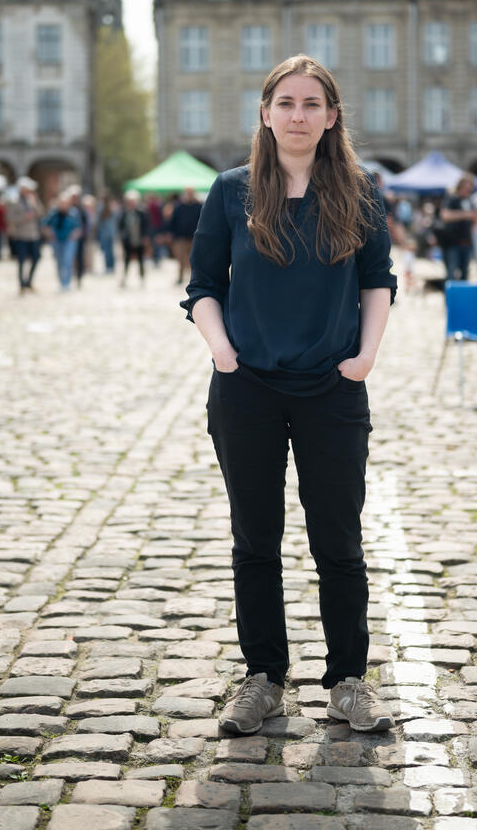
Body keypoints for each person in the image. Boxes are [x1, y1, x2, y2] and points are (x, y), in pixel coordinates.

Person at [182, 55, 397, 736]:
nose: (297, 115)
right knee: (256, 540)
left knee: (337, 539)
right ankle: (263, 678)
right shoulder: (230, 191)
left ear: (331, 116)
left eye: (311, 104)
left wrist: (364, 357)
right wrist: (221, 350)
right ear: (265, 113)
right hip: (246, 388)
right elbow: (203, 285)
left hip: (331, 388)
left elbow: (376, 281)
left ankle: (346, 680)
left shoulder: (359, 191)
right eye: (285, 102)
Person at [5, 177, 44, 294]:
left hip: (33, 235)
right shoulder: (14, 202)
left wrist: (36, 202)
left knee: (36, 257)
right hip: (21, 235)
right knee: (21, 260)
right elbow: (10, 218)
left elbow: (40, 213)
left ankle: (29, 282)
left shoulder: (31, 201)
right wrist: (24, 218)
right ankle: (22, 285)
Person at [439, 174, 477, 282]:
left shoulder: (470, 201)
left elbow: (475, 218)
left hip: (467, 243)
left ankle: (462, 298)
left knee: (465, 274)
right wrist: (465, 215)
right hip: (452, 244)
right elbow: (445, 215)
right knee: (451, 273)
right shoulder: (452, 199)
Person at [42, 191, 82, 291]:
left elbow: (79, 227)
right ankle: (61, 281)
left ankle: (66, 283)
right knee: (59, 262)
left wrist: (75, 235)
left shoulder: (74, 213)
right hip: (57, 241)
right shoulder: (53, 213)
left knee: (68, 261)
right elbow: (44, 225)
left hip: (69, 240)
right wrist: (50, 234)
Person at [169, 187, 203, 285]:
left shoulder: (199, 206)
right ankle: (180, 277)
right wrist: (170, 233)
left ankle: (195, 278)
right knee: (180, 259)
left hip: (195, 237)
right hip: (181, 237)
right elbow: (173, 220)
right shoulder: (179, 206)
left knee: (195, 260)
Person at [118, 190, 149, 287]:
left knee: (141, 260)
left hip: (139, 240)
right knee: (126, 260)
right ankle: (124, 279)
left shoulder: (142, 213)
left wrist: (145, 237)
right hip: (128, 240)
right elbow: (120, 226)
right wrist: (122, 237)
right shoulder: (124, 213)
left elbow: (146, 226)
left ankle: (142, 279)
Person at [96, 193, 119, 274]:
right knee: (107, 251)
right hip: (106, 233)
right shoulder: (102, 208)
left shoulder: (111, 208)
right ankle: (109, 266)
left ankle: (110, 266)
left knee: (109, 251)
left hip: (109, 233)